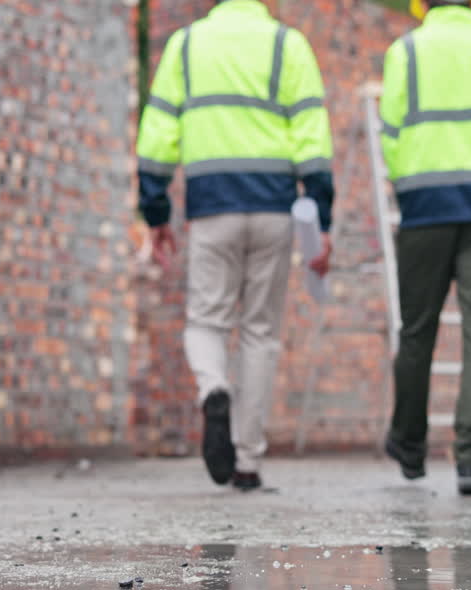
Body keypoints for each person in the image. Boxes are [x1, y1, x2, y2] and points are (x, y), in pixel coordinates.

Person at [135, 0, 335, 491]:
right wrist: (321, 217)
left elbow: (158, 135)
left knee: (206, 320)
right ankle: (247, 461)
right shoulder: (288, 45)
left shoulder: (186, 45)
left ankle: (214, 389)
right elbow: (311, 135)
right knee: (260, 333)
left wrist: (156, 211)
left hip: (212, 207)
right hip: (273, 208)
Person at [379, 0, 471, 495]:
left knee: (417, 329)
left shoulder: (406, 51)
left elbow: (392, 133)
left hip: (425, 207)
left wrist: (410, 183)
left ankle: (409, 447)